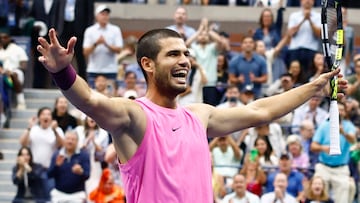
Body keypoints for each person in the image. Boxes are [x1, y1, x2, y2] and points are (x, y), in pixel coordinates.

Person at [37, 27, 346, 202]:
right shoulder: (134, 116)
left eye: (186, 53)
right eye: (173, 54)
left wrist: (314, 88)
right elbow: (90, 100)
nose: (185, 60)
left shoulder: (200, 116)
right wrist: (63, 71)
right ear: (147, 64)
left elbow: (259, 110)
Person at [310, 100, 357, 203]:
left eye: (341, 110)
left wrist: (343, 132)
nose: (339, 112)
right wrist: (323, 148)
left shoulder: (348, 126)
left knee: (346, 189)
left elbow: (353, 141)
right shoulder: (324, 125)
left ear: (345, 112)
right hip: (324, 166)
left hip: (341, 168)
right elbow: (313, 146)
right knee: (317, 185)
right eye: (337, 110)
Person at [82, 4, 123, 88]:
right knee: (92, 98)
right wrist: (96, 43)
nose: (105, 16)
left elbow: (119, 49)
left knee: (111, 98)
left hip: (110, 70)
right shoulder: (90, 30)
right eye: (102, 14)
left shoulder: (115, 30)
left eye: (106, 14)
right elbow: (85, 52)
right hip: (94, 69)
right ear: (96, 16)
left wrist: (106, 44)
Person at [48, 130, 90, 202]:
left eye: (73, 139)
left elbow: (87, 175)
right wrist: (57, 166)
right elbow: (49, 175)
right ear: (64, 140)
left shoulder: (83, 155)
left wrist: (80, 172)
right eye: (68, 139)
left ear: (77, 141)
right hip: (59, 194)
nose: (70, 141)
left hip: (77, 195)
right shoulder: (57, 154)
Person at [0, 30, 28, 109]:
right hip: (2, 73)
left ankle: (21, 101)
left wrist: (10, 71)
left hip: (15, 72)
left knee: (14, 74)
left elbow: (24, 66)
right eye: (1, 38)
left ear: (9, 38)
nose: (2, 39)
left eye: (5, 37)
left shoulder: (17, 49)